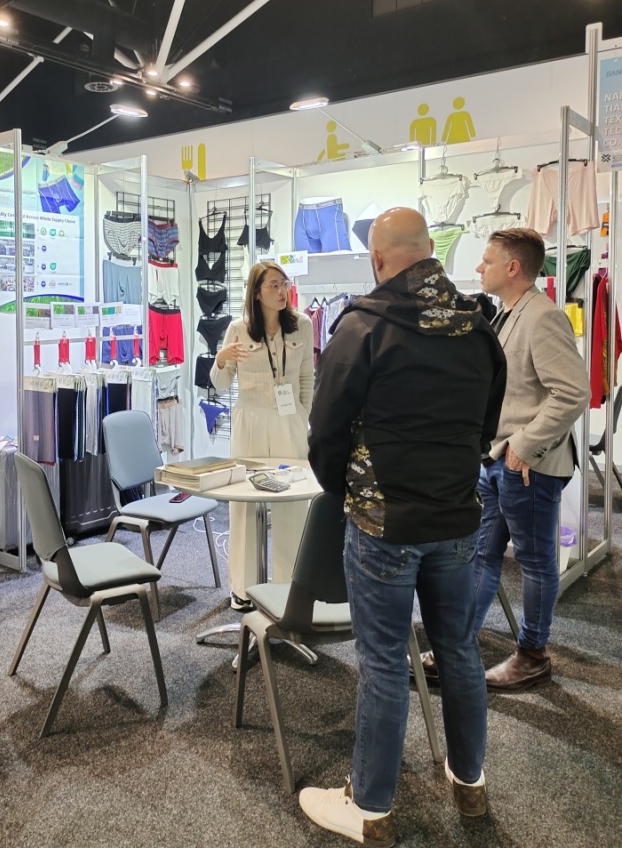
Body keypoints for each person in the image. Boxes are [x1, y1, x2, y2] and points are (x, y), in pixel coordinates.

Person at [300, 208, 506, 846]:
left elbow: (326, 432)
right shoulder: (478, 327)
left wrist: (346, 489)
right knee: (459, 649)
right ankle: (469, 780)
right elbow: (485, 425)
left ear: (378, 259)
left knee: (384, 662)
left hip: (384, 519)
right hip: (456, 515)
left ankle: (370, 807)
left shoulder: (363, 325)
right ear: (431, 250)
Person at [419, 229, 591, 693]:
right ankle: (456, 646)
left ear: (513, 267)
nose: (479, 268)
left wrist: (524, 446)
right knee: (479, 555)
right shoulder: (507, 313)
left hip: (527, 466)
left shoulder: (543, 316)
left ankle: (533, 654)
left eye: (488, 260)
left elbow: (573, 392)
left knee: (535, 562)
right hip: (496, 460)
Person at [210, 261, 314, 610]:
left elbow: (307, 377)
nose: (282, 291)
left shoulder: (302, 325)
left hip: (289, 418)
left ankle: (289, 587)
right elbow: (220, 384)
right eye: (273, 285)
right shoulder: (238, 329)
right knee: (244, 503)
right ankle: (243, 588)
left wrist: (303, 415)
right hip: (250, 419)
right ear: (256, 293)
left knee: (293, 501)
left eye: (284, 284)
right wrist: (220, 359)